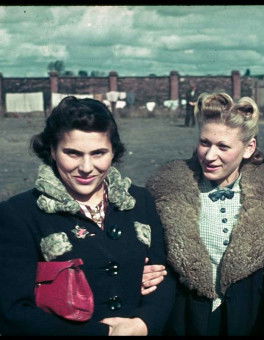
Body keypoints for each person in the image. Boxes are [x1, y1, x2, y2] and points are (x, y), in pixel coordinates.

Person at [0, 96, 175, 336]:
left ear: (114, 152)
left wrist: (143, 324)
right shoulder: (20, 214)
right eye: (72, 153)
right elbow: (14, 310)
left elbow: (163, 278)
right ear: (52, 150)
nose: (86, 167)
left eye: (98, 153)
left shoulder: (141, 201)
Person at [145, 92, 264, 335]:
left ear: (249, 148)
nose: (209, 156)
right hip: (184, 322)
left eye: (223, 146)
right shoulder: (164, 193)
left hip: (250, 322)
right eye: (204, 142)